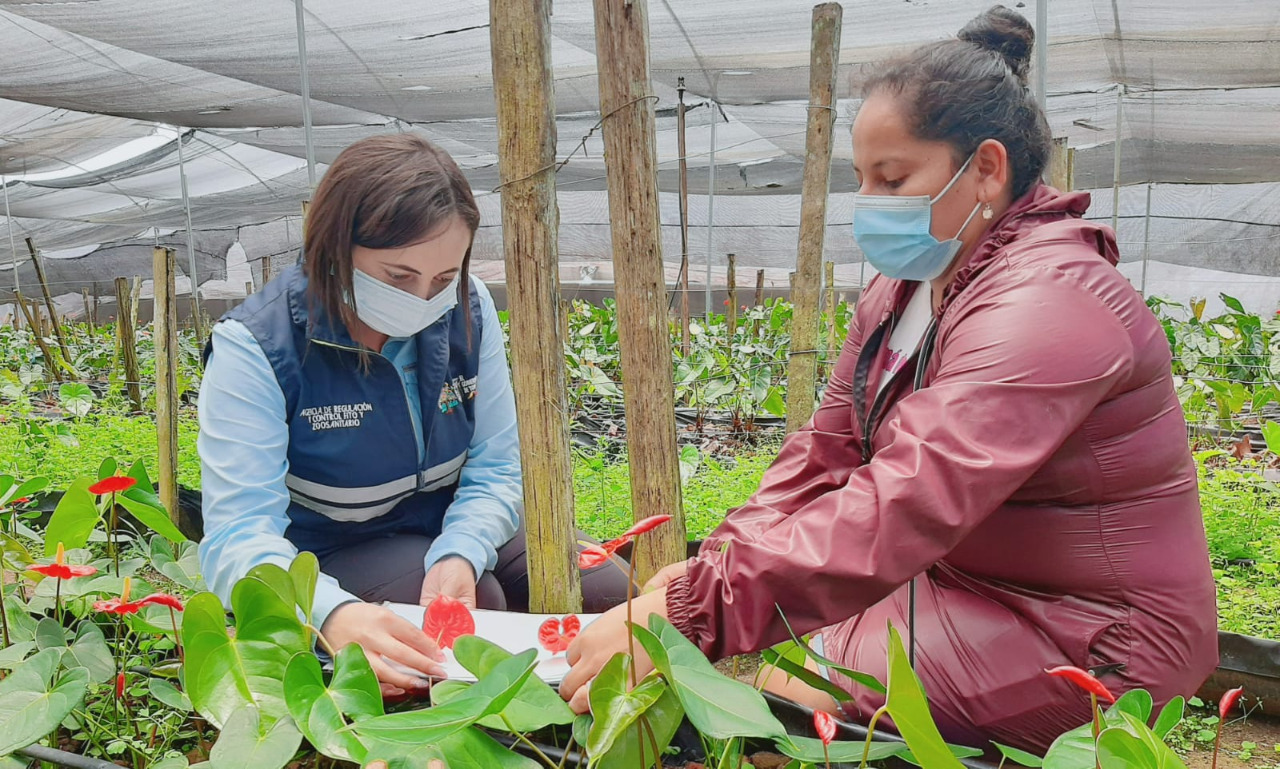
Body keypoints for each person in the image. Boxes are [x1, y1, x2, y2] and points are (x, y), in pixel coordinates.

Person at [560, 6, 1218, 752]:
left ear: (988, 169)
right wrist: (708, 574)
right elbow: (825, 452)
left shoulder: (1053, 299)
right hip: (957, 586)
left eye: (893, 176)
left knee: (777, 681)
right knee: (735, 639)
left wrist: (692, 614)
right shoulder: (907, 286)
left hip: (1093, 631)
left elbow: (911, 494)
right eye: (862, 178)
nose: (869, 201)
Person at [198, 134, 629, 696]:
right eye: (398, 277)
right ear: (334, 248)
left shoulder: (468, 311)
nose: (424, 299)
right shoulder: (258, 346)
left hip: (454, 516)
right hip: (335, 547)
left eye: (443, 279)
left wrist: (463, 549)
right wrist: (329, 613)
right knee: (461, 628)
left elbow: (498, 465)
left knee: (609, 599)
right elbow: (237, 535)